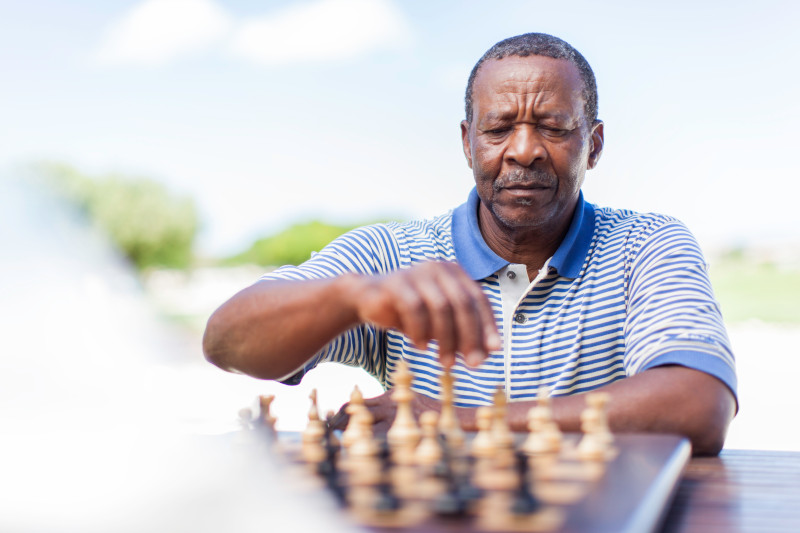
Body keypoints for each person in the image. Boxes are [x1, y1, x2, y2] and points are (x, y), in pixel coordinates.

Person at [203, 33, 737, 456]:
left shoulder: (647, 246)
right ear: (467, 142)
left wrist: (460, 420)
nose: (523, 150)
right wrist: (351, 297)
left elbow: (699, 405)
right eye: (499, 128)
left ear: (592, 145)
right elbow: (226, 342)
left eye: (552, 127)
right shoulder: (393, 258)